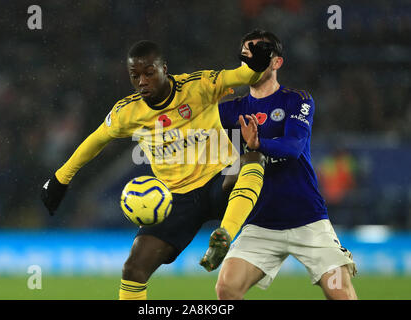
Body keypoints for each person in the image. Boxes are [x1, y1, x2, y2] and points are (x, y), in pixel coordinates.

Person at [41, 39, 273, 300]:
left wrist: (258, 61)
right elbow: (95, 140)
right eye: (135, 75)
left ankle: (224, 235)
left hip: (219, 182)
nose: (142, 81)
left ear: (164, 69)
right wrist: (61, 178)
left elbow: (243, 75)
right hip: (175, 200)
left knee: (251, 158)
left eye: (149, 73)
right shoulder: (127, 112)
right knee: (133, 270)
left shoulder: (198, 86)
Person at [215, 29, 358, 300]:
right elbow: (196, 133)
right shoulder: (229, 111)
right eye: (246, 55)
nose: (251, 61)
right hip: (260, 223)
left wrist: (257, 146)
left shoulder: (297, 100)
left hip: (308, 219)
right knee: (226, 287)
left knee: (341, 292)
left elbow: (293, 147)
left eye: (259, 54)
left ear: (276, 62)